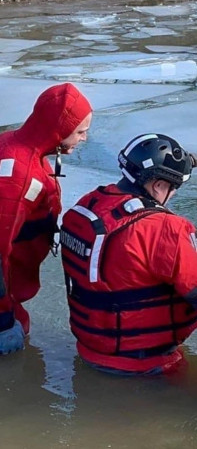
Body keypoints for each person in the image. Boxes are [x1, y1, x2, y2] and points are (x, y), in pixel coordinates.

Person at [60, 133, 197, 375]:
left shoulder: (88, 204)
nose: (173, 194)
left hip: (90, 348)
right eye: (174, 187)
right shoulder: (165, 227)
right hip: (146, 363)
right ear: (158, 185)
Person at [0, 82, 92, 355]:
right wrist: (4, 320)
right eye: (80, 132)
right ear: (59, 130)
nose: (85, 138)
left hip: (13, 281)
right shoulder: (19, 176)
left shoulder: (19, 143)